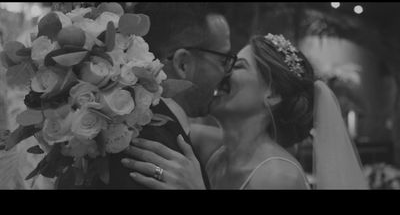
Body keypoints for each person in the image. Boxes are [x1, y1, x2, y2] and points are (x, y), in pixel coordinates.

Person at [121, 34, 369, 189]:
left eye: (238, 66)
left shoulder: (277, 177)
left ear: (271, 95)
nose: (223, 74)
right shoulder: (214, 152)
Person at [55, 2, 235, 189]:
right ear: (183, 64)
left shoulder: (122, 129)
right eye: (224, 60)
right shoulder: (152, 153)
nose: (228, 73)